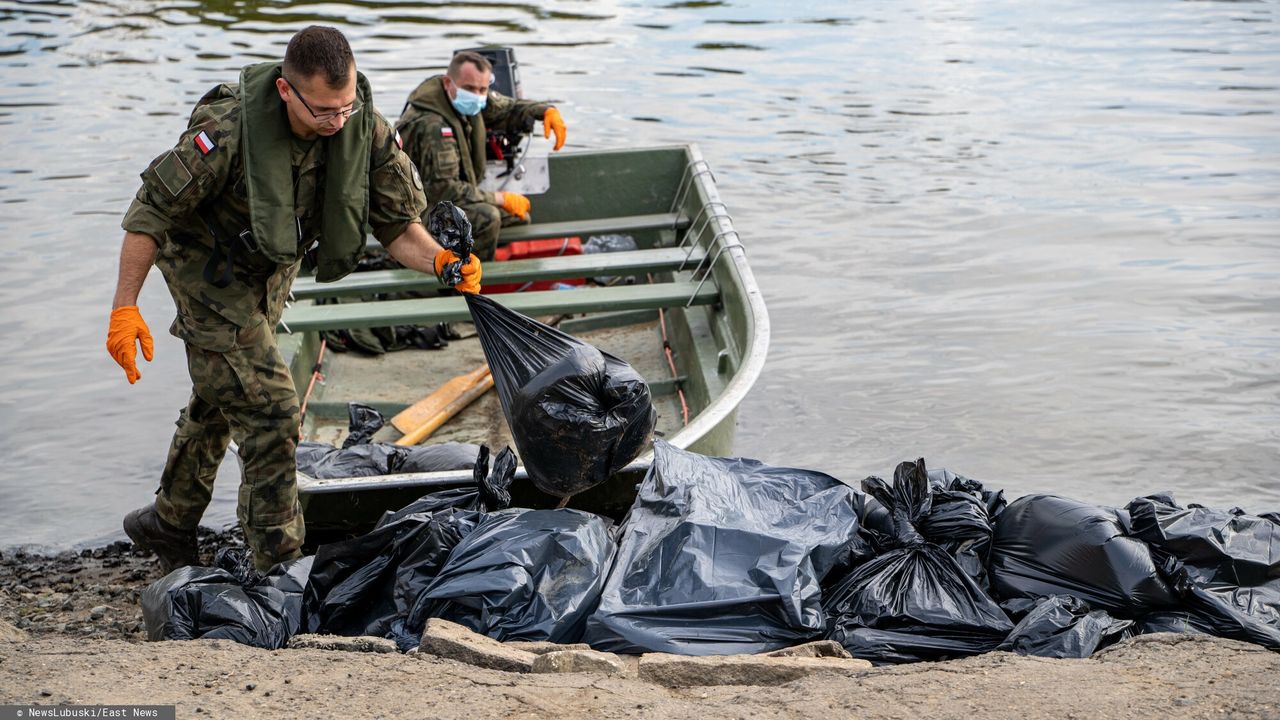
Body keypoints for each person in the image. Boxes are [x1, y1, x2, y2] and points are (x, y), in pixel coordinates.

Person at [105, 26, 481, 574]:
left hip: (270, 270)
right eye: (324, 112)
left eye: (346, 108)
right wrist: (124, 306)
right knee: (274, 411)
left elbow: (399, 227)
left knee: (226, 392)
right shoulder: (229, 130)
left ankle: (169, 522)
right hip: (205, 270)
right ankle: (278, 570)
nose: (337, 122)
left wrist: (442, 263)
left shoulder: (363, 129)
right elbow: (149, 213)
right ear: (286, 91)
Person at [397, 50, 568, 260]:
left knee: (518, 218)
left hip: (446, 202)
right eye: (470, 88)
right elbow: (445, 190)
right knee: (488, 218)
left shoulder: (465, 102)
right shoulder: (433, 126)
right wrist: (499, 198)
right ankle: (464, 284)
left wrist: (545, 111)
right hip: (419, 214)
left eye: (483, 89)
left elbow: (507, 108)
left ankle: (483, 267)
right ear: (448, 83)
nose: (477, 95)